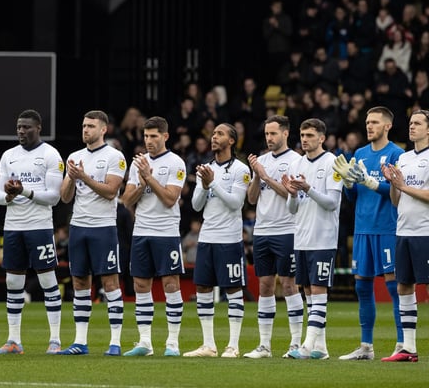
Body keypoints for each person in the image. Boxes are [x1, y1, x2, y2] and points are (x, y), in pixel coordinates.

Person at [332, 106, 404, 360]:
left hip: (387, 228)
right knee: (362, 286)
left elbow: (398, 190)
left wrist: (370, 182)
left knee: (395, 287)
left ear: (387, 126)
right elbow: (352, 196)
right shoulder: (360, 153)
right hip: (362, 228)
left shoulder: (397, 154)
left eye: (374, 122)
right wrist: (348, 183)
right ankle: (366, 347)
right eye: (367, 122)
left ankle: (402, 344)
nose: (369, 126)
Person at [0, 109, 64, 355]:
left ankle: (55, 340)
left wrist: (24, 192)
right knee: (13, 282)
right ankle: (13, 340)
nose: (21, 131)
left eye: (26, 127)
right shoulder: (9, 155)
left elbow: (54, 197)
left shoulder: (50, 155)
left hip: (40, 227)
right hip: (13, 227)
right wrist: (10, 195)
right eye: (19, 127)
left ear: (38, 128)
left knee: (47, 280)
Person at [57, 110, 127, 356]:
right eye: (84, 125)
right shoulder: (75, 156)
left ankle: (115, 342)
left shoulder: (115, 157)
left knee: (110, 282)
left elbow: (110, 192)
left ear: (103, 130)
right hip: (79, 226)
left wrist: (83, 176)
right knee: (79, 281)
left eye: (90, 126)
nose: (85, 130)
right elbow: (64, 197)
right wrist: (70, 177)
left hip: (103, 227)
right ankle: (80, 341)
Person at [182, 123, 250, 358]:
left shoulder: (241, 169)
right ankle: (208, 345)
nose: (214, 137)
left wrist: (213, 183)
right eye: (213, 133)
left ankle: (233, 345)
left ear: (231, 141)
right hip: (207, 236)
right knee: (202, 287)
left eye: (220, 134)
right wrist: (203, 184)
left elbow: (236, 203)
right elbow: (196, 205)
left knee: (232, 289)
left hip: (229, 238)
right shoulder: (206, 168)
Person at [120, 116, 186, 356]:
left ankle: (172, 343)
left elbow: (170, 199)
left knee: (170, 284)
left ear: (165, 136)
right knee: (140, 284)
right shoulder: (138, 163)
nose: (148, 141)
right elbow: (126, 201)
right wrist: (140, 181)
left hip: (166, 231)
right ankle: (145, 342)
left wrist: (148, 177)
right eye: (146, 136)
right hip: (142, 231)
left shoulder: (176, 162)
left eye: (154, 136)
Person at [243, 115, 304, 359]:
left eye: (274, 134)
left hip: (287, 230)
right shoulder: (262, 160)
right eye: (267, 134)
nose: (269, 138)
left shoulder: (297, 161)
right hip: (262, 231)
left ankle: (296, 344)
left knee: (289, 284)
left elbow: (290, 195)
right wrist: (257, 175)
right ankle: (265, 346)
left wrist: (266, 176)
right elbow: (252, 198)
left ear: (285, 134)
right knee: (265, 285)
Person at [281, 118, 343, 360]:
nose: (304, 139)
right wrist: (293, 194)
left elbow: (332, 203)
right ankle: (321, 348)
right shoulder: (297, 163)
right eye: (302, 135)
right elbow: (292, 209)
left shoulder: (332, 163)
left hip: (323, 238)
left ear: (321, 138)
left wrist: (307, 189)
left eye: (309, 135)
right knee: (307, 290)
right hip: (302, 237)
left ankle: (306, 347)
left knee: (318, 290)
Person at [381, 109, 429, 362]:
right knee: (404, 286)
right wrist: (392, 183)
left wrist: (403, 186)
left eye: (418, 123)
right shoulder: (404, 158)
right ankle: (408, 347)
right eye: (410, 123)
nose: (412, 127)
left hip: (426, 232)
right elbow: (395, 200)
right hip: (403, 231)